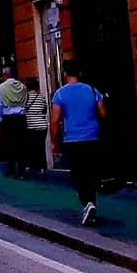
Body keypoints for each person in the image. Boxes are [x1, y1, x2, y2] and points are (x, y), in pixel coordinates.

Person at [49, 62, 106, 226]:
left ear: (65, 74)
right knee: (90, 171)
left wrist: (53, 143)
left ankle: (87, 203)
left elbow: (55, 121)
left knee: (78, 174)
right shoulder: (92, 90)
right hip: (92, 137)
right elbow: (103, 113)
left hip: (73, 139)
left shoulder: (60, 94)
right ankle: (92, 204)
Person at [0, 63, 29, 180]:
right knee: (22, 146)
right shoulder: (23, 87)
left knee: (9, 145)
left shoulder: (1, 88)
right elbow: (26, 103)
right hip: (21, 119)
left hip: (8, 119)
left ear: (6, 75)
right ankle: (22, 172)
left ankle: (10, 169)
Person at [26, 77, 49, 177]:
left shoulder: (25, 98)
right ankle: (43, 167)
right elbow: (45, 110)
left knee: (31, 147)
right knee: (41, 146)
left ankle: (32, 166)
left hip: (31, 125)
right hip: (42, 126)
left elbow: (23, 110)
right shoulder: (41, 97)